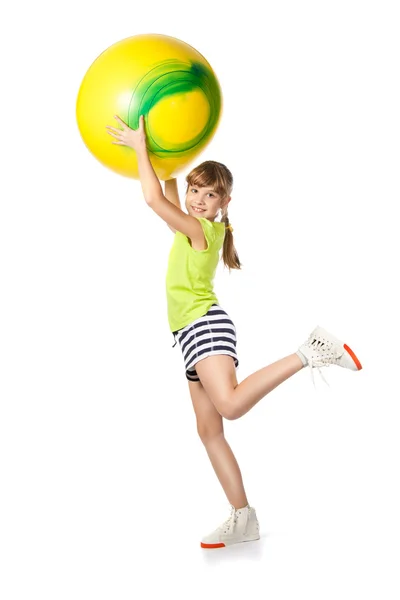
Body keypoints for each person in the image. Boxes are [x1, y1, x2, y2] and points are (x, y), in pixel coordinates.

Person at [106, 115, 363, 549]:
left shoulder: (204, 231)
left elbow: (153, 199)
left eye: (210, 195)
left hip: (205, 327)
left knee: (229, 407)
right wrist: (169, 161)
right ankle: (243, 519)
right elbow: (166, 193)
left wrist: (140, 147)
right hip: (190, 338)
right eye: (195, 190)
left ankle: (309, 351)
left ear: (224, 203)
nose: (199, 200)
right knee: (208, 432)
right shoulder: (190, 228)